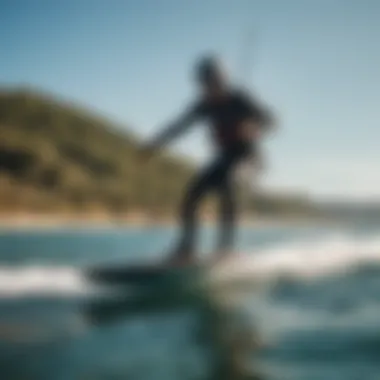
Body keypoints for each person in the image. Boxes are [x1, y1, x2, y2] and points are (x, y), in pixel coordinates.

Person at [142, 55, 275, 265]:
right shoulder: (205, 105)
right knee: (192, 195)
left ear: (222, 80)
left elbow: (270, 120)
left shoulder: (240, 99)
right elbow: (179, 126)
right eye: (204, 84)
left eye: (213, 83)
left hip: (249, 158)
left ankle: (225, 249)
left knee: (228, 183)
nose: (209, 89)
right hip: (225, 158)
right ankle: (186, 249)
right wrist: (153, 145)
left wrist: (252, 127)